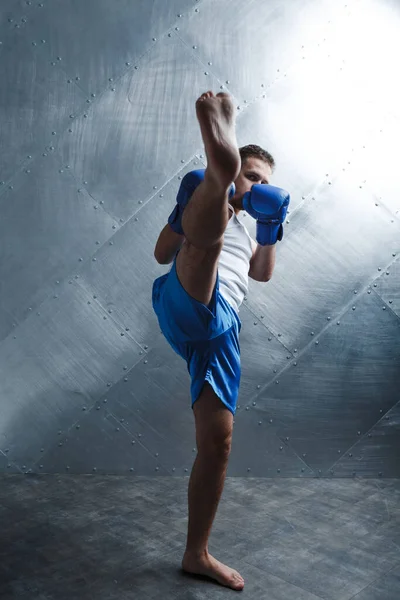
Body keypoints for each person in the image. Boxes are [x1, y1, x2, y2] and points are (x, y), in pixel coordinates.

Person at [152, 91, 290, 591]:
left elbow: (263, 275)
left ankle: (196, 553)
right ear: (237, 175)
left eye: (265, 183)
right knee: (203, 245)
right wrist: (186, 211)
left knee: (218, 443)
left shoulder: (253, 230)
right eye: (250, 175)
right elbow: (160, 251)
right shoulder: (206, 204)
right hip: (185, 293)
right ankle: (216, 173)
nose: (258, 185)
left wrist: (271, 228)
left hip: (220, 328)